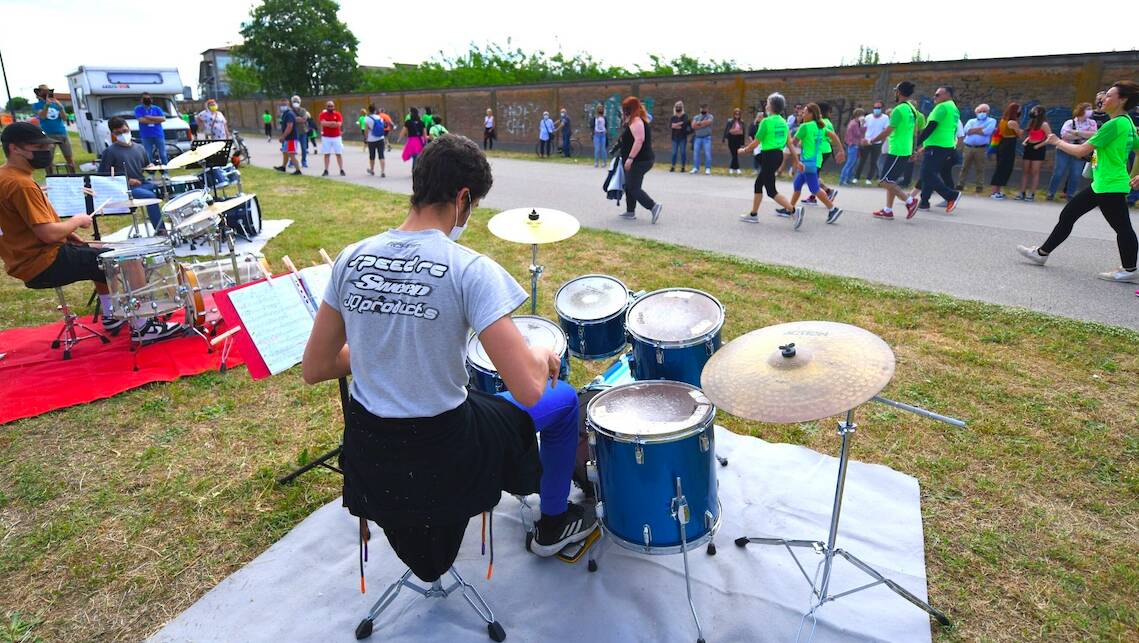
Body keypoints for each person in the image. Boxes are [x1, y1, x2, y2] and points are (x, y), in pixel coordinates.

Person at [301, 135, 598, 575]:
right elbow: (529, 389)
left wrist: (370, 346)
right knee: (563, 401)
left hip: (373, 453)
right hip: (443, 451)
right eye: (473, 205)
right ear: (462, 199)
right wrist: (538, 352)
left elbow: (316, 366)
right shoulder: (469, 269)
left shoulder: (351, 258)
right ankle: (553, 522)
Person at [0, 122, 179, 342]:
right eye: (37, 146)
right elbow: (47, 234)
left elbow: (21, 226)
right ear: (14, 148)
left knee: (100, 251)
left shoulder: (5, 177)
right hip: (42, 261)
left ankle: (111, 315)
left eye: (46, 145)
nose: (45, 150)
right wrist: (76, 221)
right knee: (126, 260)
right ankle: (143, 327)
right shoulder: (21, 184)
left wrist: (67, 235)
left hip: (23, 259)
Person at [1018, 80, 1139, 284]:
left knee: (1122, 227)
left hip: (1109, 186)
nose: (1103, 99)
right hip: (1104, 184)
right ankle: (1041, 253)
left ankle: (1129, 270)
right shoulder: (1127, 123)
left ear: (1122, 100)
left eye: (1109, 95)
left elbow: (1082, 150)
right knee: (1069, 214)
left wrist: (1057, 142)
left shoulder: (1114, 124)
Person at [738, 92, 798, 223]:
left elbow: (756, 142)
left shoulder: (766, 122)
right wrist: (797, 160)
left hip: (768, 156)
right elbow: (789, 143)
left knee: (771, 191)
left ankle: (793, 210)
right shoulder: (783, 122)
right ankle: (753, 214)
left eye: (768, 102)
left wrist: (744, 150)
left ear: (771, 106)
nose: (766, 104)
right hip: (777, 156)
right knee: (759, 184)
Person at [97, 117, 164, 232]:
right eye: (118, 133)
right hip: (125, 188)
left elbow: (148, 168)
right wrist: (126, 181)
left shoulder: (140, 148)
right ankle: (161, 230)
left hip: (143, 183)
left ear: (129, 129)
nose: (123, 134)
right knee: (150, 196)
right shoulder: (110, 152)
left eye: (124, 131)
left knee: (168, 188)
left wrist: (153, 166)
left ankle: (179, 225)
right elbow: (103, 177)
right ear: (112, 134)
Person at [784, 103, 845, 228]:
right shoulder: (820, 126)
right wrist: (841, 150)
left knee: (814, 189)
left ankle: (832, 209)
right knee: (797, 184)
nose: (802, 114)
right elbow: (834, 135)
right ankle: (790, 209)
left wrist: (786, 136)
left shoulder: (805, 126)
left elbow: (793, 143)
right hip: (816, 160)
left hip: (807, 163)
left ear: (811, 114)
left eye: (805, 112)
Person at [870, 81, 921, 220]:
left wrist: (872, 140)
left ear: (899, 92)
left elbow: (888, 130)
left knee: (883, 181)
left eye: (895, 91)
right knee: (891, 181)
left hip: (897, 149)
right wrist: (914, 149)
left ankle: (910, 201)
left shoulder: (898, 110)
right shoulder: (912, 109)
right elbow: (914, 131)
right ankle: (888, 210)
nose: (894, 93)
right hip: (904, 148)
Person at [915, 86, 962, 214]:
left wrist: (916, 144)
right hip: (946, 145)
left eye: (937, 95)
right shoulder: (954, 108)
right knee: (931, 173)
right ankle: (924, 202)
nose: (934, 97)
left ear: (947, 95)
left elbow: (931, 127)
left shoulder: (942, 107)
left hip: (937, 146)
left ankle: (951, 195)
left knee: (926, 173)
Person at [616, 96, 663, 223]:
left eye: (626, 109)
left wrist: (630, 158)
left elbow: (639, 140)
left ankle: (653, 206)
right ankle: (630, 211)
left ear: (630, 109)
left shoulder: (637, 121)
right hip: (637, 160)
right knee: (630, 185)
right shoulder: (633, 120)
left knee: (632, 187)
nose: (624, 111)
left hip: (640, 160)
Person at [1046, 103, 1097, 201]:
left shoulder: (1092, 123)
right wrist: (1083, 135)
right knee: (1059, 172)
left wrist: (1076, 132)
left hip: (1080, 151)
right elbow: (1064, 135)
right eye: (1088, 109)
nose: (1091, 111)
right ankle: (1051, 193)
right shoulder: (1069, 122)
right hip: (1064, 150)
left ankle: (1070, 194)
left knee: (1076, 173)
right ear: (1081, 110)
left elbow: (1094, 135)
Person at [31, 84, 75, 174]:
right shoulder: (37, 105)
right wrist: (46, 105)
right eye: (43, 91)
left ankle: (74, 177)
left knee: (69, 157)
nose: (46, 93)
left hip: (62, 133)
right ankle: (51, 178)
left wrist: (60, 107)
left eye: (47, 91)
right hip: (48, 135)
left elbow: (65, 118)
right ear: (39, 93)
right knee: (48, 159)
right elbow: (42, 116)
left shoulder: (56, 104)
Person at [803, 103, 838, 205]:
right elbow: (832, 137)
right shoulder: (828, 123)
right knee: (814, 174)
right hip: (826, 150)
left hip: (819, 151)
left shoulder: (819, 123)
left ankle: (828, 191)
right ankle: (813, 196)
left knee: (813, 175)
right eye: (830, 112)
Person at [1015, 106, 1052, 201]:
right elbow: (1031, 134)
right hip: (1029, 147)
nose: (1032, 112)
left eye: (1034, 111)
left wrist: (1039, 145)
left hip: (1038, 148)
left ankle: (1031, 193)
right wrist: (1026, 141)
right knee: (1025, 171)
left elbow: (1050, 138)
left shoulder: (1044, 124)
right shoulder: (1032, 122)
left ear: (1039, 112)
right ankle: (1022, 192)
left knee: (1035, 172)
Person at [959, 104, 997, 193]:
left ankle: (979, 186)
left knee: (980, 168)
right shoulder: (971, 121)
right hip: (968, 147)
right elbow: (966, 131)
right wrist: (980, 129)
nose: (982, 113)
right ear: (976, 112)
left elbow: (987, 131)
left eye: (984, 111)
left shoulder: (991, 121)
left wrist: (973, 130)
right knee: (964, 167)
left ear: (988, 112)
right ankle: (960, 184)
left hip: (981, 148)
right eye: (980, 111)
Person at [989, 102, 1023, 199]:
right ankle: (995, 192)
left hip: (1002, 143)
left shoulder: (1003, 120)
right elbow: (1019, 134)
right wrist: (1021, 131)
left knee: (1000, 167)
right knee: (1004, 168)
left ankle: (997, 191)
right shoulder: (1013, 122)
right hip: (1009, 144)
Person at [133, 92, 168, 168]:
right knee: (148, 155)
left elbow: (163, 119)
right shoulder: (138, 109)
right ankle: (151, 173)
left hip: (158, 134)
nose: (147, 100)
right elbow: (141, 120)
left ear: (151, 100)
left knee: (163, 154)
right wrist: (156, 120)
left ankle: (165, 172)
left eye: (148, 99)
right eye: (145, 99)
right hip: (146, 135)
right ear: (141, 100)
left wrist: (148, 117)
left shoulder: (157, 108)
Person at [857, 101, 888, 184]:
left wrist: (883, 141)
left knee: (873, 161)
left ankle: (869, 178)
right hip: (867, 142)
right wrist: (862, 139)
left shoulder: (885, 118)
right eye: (875, 108)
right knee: (862, 160)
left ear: (882, 109)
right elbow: (862, 129)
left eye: (878, 108)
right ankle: (856, 177)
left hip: (877, 143)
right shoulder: (868, 117)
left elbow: (886, 130)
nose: (876, 109)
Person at [273, 98, 302, 175]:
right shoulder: (285, 113)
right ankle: (283, 167)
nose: (283, 106)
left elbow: (290, 126)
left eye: (284, 104)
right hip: (288, 138)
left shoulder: (289, 114)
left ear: (288, 104)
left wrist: (283, 136)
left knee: (291, 154)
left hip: (291, 138)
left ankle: (298, 170)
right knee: (285, 152)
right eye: (281, 105)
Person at [318, 100, 345, 177]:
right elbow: (323, 123)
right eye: (329, 106)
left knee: (338, 153)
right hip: (326, 137)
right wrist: (333, 123)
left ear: (334, 106)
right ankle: (326, 170)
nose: (330, 107)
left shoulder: (338, 114)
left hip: (336, 137)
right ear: (326, 107)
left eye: (332, 106)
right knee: (326, 154)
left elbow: (339, 124)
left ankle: (341, 169)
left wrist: (328, 123)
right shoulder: (322, 114)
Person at [839, 109, 865, 185]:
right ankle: (843, 179)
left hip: (854, 145)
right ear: (858, 116)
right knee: (850, 163)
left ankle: (848, 179)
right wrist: (863, 125)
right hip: (853, 145)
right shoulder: (854, 124)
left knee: (854, 163)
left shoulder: (855, 123)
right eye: (862, 115)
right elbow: (859, 134)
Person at [364, 105, 387, 178]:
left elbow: (366, 130)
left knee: (372, 156)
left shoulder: (367, 118)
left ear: (368, 110)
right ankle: (383, 171)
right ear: (375, 110)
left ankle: (372, 170)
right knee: (381, 155)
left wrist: (366, 138)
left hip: (371, 139)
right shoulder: (379, 117)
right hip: (380, 138)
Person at [690, 104, 714, 174]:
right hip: (697, 138)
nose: (703, 110)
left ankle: (708, 168)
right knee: (696, 153)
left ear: (707, 109)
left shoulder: (710, 116)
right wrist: (702, 124)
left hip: (707, 138)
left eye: (705, 108)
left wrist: (699, 124)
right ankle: (695, 168)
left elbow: (708, 122)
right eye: (702, 108)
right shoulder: (696, 117)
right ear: (700, 109)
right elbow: (693, 126)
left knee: (707, 153)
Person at [722, 108, 746, 175]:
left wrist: (735, 131)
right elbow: (729, 131)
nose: (737, 115)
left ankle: (733, 168)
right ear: (734, 114)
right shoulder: (730, 121)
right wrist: (734, 131)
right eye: (736, 114)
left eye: (738, 114)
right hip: (731, 139)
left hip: (738, 140)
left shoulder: (741, 122)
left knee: (735, 154)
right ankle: (736, 168)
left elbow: (742, 132)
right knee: (734, 154)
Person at [289, 96, 311, 169]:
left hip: (303, 131)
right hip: (293, 132)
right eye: (294, 101)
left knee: (304, 148)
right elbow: (291, 120)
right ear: (292, 102)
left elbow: (304, 120)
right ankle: (291, 162)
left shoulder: (303, 110)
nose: (296, 103)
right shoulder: (290, 111)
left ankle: (304, 162)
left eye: (297, 101)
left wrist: (296, 119)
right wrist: (297, 119)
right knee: (293, 148)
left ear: (300, 102)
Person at [669, 101, 690, 172]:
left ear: (682, 107)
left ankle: (683, 167)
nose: (678, 107)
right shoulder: (673, 117)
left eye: (679, 106)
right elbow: (671, 126)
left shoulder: (685, 115)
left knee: (682, 152)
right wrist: (678, 125)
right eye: (677, 106)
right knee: (674, 153)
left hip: (682, 137)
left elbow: (684, 124)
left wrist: (675, 125)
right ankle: (673, 166)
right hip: (674, 138)